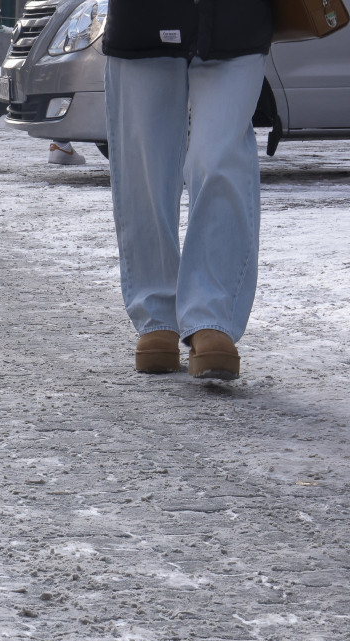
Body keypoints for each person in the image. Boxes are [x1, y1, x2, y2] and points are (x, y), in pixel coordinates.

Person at [103, 0, 272, 380]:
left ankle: (212, 317)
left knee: (219, 158)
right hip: (142, 21)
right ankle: (157, 313)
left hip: (237, 21)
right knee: (143, 167)